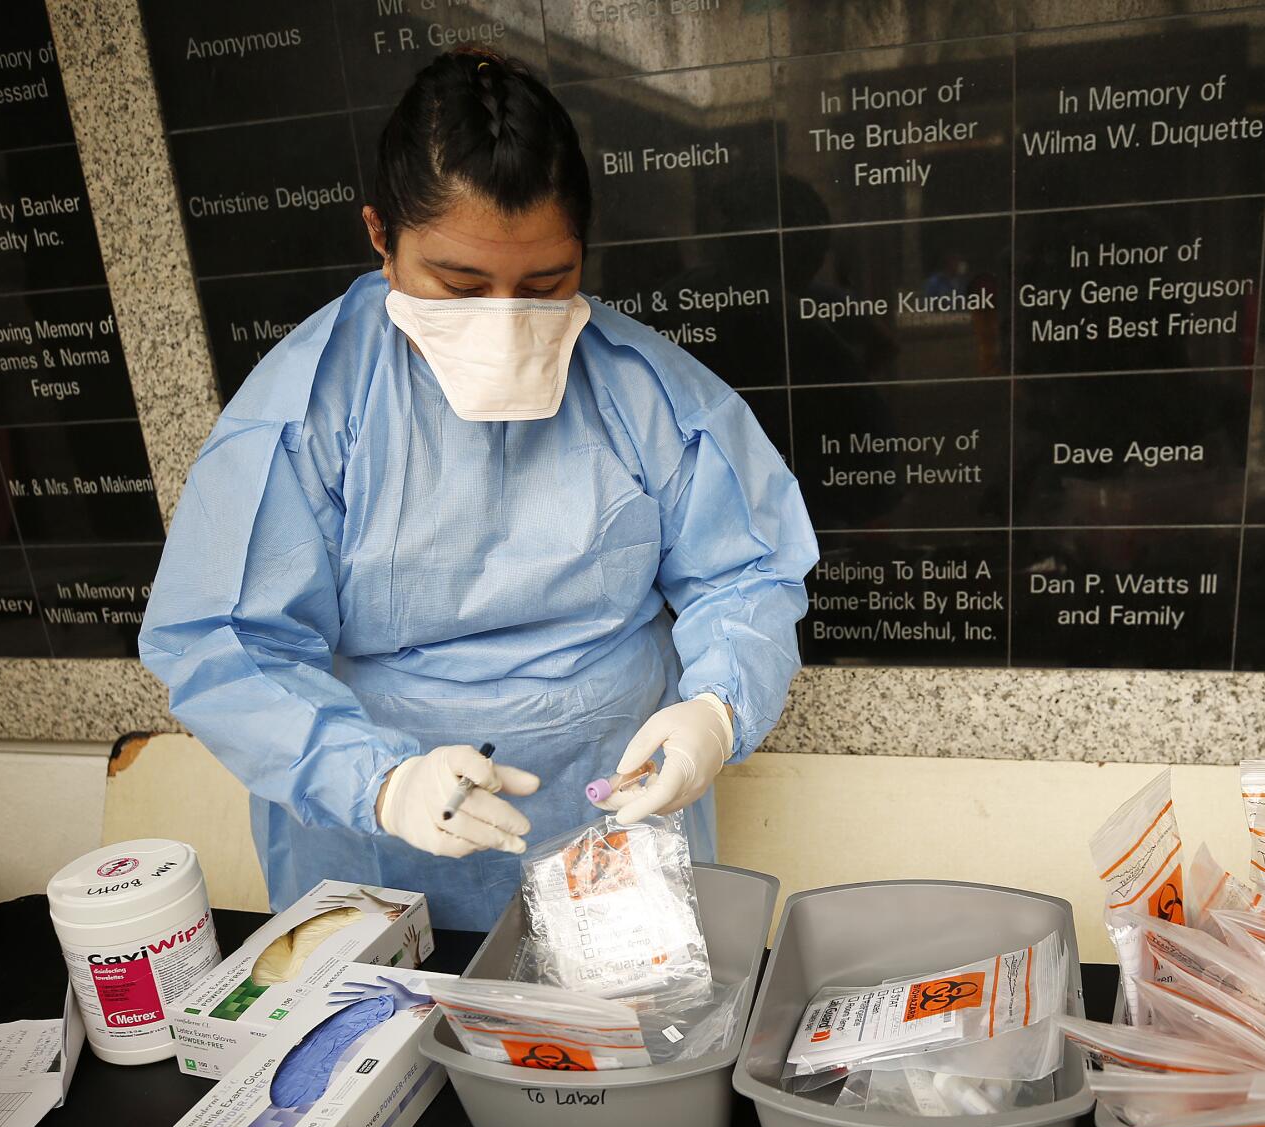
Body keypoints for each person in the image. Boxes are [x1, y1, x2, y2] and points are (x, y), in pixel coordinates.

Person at [141, 47, 817, 931]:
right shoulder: (308, 414)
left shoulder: (647, 392)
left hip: (610, 828)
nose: (504, 323)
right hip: (378, 849)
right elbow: (225, 637)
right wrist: (379, 781)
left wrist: (715, 712)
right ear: (381, 238)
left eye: (545, 285)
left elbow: (748, 573)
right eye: (458, 287)